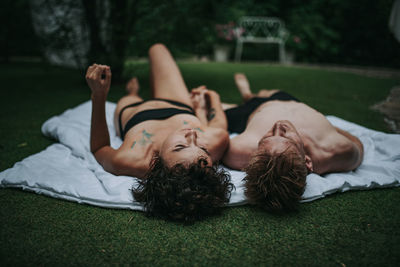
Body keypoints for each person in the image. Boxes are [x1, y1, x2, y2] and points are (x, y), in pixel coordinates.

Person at [86, 43, 233, 223]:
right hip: (178, 104)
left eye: (180, 146)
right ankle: (154, 90)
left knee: (131, 96)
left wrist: (99, 96)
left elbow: (99, 147)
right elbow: (218, 125)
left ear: (157, 164)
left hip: (135, 110)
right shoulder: (215, 142)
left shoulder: (130, 158)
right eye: (203, 147)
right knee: (157, 49)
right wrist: (211, 99)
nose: (192, 135)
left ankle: (134, 91)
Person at [222, 73, 364, 212]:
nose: (277, 126)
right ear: (307, 162)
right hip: (294, 103)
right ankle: (248, 96)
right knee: (270, 92)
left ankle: (248, 96)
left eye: (266, 138)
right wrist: (334, 129)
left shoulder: (238, 151)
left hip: (253, 112)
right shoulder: (337, 151)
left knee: (232, 107)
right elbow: (357, 145)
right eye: (288, 139)